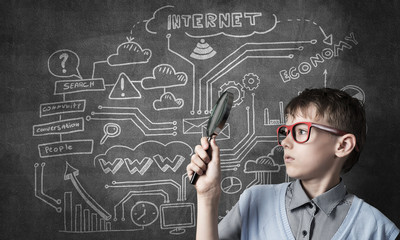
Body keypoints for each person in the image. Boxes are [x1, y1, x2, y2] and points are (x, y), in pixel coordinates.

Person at [186, 88, 399, 240]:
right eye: (286, 132)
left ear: (343, 146)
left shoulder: (378, 230)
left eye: (301, 131)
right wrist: (207, 197)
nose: (285, 143)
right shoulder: (253, 200)